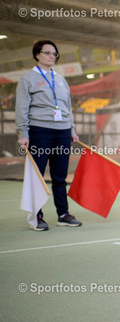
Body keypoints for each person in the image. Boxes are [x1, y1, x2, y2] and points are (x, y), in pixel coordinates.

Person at [16, 40, 82, 231]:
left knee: (60, 175)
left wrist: (72, 129)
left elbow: (67, 106)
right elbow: (22, 107)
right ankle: (36, 216)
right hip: (40, 131)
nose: (52, 56)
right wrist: (23, 132)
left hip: (63, 132)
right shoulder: (27, 78)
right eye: (47, 53)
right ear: (37, 54)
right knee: (37, 175)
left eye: (54, 54)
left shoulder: (60, 79)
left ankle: (63, 214)